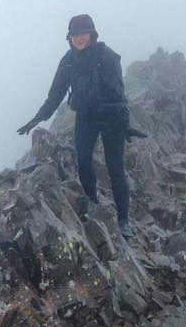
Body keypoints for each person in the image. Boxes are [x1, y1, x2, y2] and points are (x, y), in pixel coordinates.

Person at [17, 14, 138, 238]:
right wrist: (37, 118)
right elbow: (55, 96)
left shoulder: (107, 57)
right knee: (83, 162)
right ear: (70, 38)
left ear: (91, 34)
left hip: (111, 117)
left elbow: (120, 94)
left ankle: (123, 221)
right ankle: (92, 202)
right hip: (86, 116)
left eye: (83, 34)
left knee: (116, 170)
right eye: (75, 35)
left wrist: (125, 123)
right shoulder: (69, 61)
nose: (80, 39)